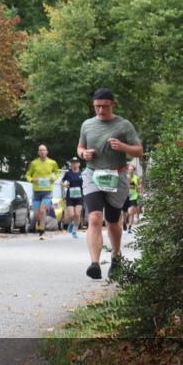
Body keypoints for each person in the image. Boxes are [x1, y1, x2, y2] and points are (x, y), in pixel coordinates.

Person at [77, 88, 143, 279]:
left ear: (112, 104)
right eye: (97, 106)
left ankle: (115, 256)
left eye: (105, 106)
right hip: (92, 175)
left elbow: (138, 150)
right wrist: (84, 154)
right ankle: (94, 264)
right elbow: (80, 146)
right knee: (95, 217)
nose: (100, 110)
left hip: (117, 176)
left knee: (113, 221)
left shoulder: (124, 125)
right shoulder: (87, 124)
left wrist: (123, 147)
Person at [25, 145, 59, 240]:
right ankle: (40, 225)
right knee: (37, 214)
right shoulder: (33, 163)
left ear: (47, 152)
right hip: (36, 191)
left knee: (43, 210)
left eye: (44, 150)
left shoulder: (52, 163)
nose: (42, 152)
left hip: (47, 190)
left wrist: (54, 178)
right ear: (38, 152)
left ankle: (41, 231)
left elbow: (57, 173)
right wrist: (32, 180)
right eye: (40, 150)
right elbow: (27, 175)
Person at [62, 156, 84, 239]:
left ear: (79, 164)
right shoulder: (68, 173)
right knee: (71, 215)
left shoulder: (82, 174)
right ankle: (71, 223)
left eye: (76, 162)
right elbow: (62, 182)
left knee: (77, 214)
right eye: (73, 162)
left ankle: (74, 230)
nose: (74, 164)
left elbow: (86, 183)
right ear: (71, 164)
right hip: (70, 196)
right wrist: (65, 184)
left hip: (79, 196)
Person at [124, 164, 141, 232]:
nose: (131, 171)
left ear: (134, 170)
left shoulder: (136, 178)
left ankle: (130, 227)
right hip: (125, 196)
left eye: (132, 169)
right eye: (129, 169)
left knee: (131, 212)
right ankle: (124, 222)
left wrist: (139, 188)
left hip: (133, 196)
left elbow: (139, 186)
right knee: (124, 213)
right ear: (128, 170)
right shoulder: (125, 177)